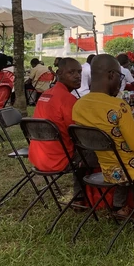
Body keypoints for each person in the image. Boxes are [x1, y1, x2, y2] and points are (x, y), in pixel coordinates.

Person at [72, 54, 134, 215]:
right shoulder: (118, 106)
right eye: (120, 77)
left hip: (103, 166)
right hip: (128, 169)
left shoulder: (78, 105)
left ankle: (121, 207)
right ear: (111, 75)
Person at [28, 58, 91, 197]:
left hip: (37, 157)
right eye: (71, 72)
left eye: (79, 72)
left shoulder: (45, 94)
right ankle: (86, 198)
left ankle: (80, 197)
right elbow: (79, 134)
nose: (77, 76)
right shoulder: (68, 100)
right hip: (59, 160)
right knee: (99, 151)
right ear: (59, 73)